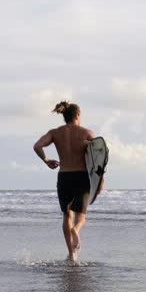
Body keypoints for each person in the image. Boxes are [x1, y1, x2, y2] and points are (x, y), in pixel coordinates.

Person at [33, 101, 98, 263]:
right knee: (81, 215)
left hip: (64, 177)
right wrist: (101, 179)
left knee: (66, 214)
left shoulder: (55, 133)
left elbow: (37, 146)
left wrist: (47, 160)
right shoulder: (87, 133)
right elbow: (100, 157)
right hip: (82, 176)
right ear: (77, 115)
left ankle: (71, 254)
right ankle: (76, 230)